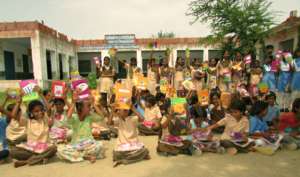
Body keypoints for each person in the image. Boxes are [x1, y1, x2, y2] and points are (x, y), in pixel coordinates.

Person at [56, 93, 106, 163]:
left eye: (90, 106)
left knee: (100, 145)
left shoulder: (90, 117)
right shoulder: (74, 117)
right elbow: (67, 120)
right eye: (88, 106)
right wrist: (73, 103)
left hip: (89, 143)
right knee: (60, 150)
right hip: (76, 144)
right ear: (80, 108)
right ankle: (85, 156)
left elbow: (102, 117)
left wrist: (93, 103)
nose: (90, 108)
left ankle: (81, 155)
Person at [10, 99, 57, 168]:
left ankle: (27, 161)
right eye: (36, 111)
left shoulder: (45, 119)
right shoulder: (27, 121)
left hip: (44, 148)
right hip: (31, 149)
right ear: (31, 112)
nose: (40, 112)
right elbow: (13, 116)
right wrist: (18, 102)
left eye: (41, 110)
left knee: (54, 148)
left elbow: (49, 108)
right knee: (13, 152)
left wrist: (41, 94)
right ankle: (41, 158)